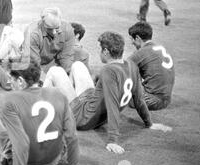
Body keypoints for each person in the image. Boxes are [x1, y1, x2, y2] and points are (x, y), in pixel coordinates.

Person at [43, 31, 172, 154]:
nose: (99, 53)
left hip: (83, 118)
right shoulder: (131, 65)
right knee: (78, 65)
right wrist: (149, 123)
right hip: (96, 112)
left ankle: (36, 106)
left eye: (100, 49)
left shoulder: (108, 71)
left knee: (55, 71)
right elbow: (139, 99)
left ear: (105, 51)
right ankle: (64, 107)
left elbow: (112, 105)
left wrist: (113, 141)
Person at [128, 22, 175, 110]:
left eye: (132, 39)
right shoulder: (159, 48)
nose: (132, 43)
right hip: (167, 100)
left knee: (118, 87)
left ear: (137, 38)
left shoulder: (142, 53)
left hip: (151, 101)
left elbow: (119, 69)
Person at [26, 7, 75, 75]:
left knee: (81, 57)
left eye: (57, 28)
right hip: (32, 64)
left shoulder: (67, 28)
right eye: (50, 29)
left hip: (53, 61)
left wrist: (67, 75)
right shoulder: (32, 34)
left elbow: (67, 56)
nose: (54, 32)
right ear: (43, 23)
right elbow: (35, 63)